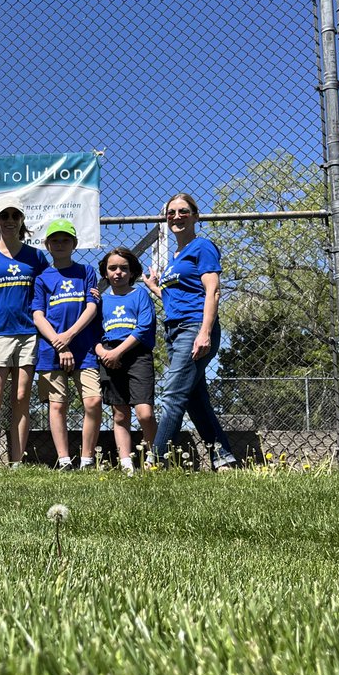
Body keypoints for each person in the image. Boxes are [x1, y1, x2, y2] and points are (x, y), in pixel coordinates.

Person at [144, 192, 237, 470]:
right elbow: (178, 298)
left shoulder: (202, 247)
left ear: (196, 216)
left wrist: (205, 331)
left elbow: (213, 290)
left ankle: (156, 462)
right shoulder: (174, 258)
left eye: (184, 211)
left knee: (172, 395)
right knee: (195, 400)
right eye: (171, 213)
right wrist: (154, 288)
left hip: (194, 327)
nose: (177, 217)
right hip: (175, 331)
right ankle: (224, 458)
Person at [0, 196, 48, 466]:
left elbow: (50, 289)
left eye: (15, 216)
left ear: (22, 221)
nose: (10, 221)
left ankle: (16, 462)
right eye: (5, 216)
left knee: (22, 398)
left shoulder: (36, 257)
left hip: (28, 335)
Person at [31, 219, 101, 470]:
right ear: (47, 245)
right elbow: (38, 315)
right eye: (55, 240)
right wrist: (59, 344)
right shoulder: (42, 278)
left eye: (65, 240)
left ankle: (87, 459)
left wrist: (69, 336)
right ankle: (63, 460)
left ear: (75, 244)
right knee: (57, 404)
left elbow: (91, 307)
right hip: (51, 350)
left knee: (92, 401)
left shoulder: (86, 272)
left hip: (83, 348)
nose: (60, 244)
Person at [95, 247, 158, 476]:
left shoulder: (139, 294)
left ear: (132, 272)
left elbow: (143, 327)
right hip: (109, 356)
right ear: (105, 273)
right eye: (113, 268)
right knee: (120, 414)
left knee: (145, 413)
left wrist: (119, 352)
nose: (118, 273)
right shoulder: (101, 301)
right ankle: (126, 464)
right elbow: (93, 334)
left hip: (135, 354)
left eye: (124, 268)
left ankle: (153, 457)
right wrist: (103, 352)